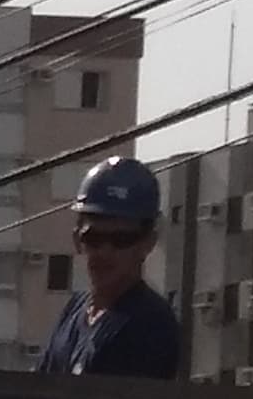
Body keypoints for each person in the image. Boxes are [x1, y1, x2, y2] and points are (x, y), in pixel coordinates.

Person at [36, 156, 183, 380]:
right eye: (94, 238)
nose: (105, 252)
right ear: (77, 239)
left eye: (121, 239)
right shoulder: (75, 309)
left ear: (148, 243)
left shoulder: (151, 324)